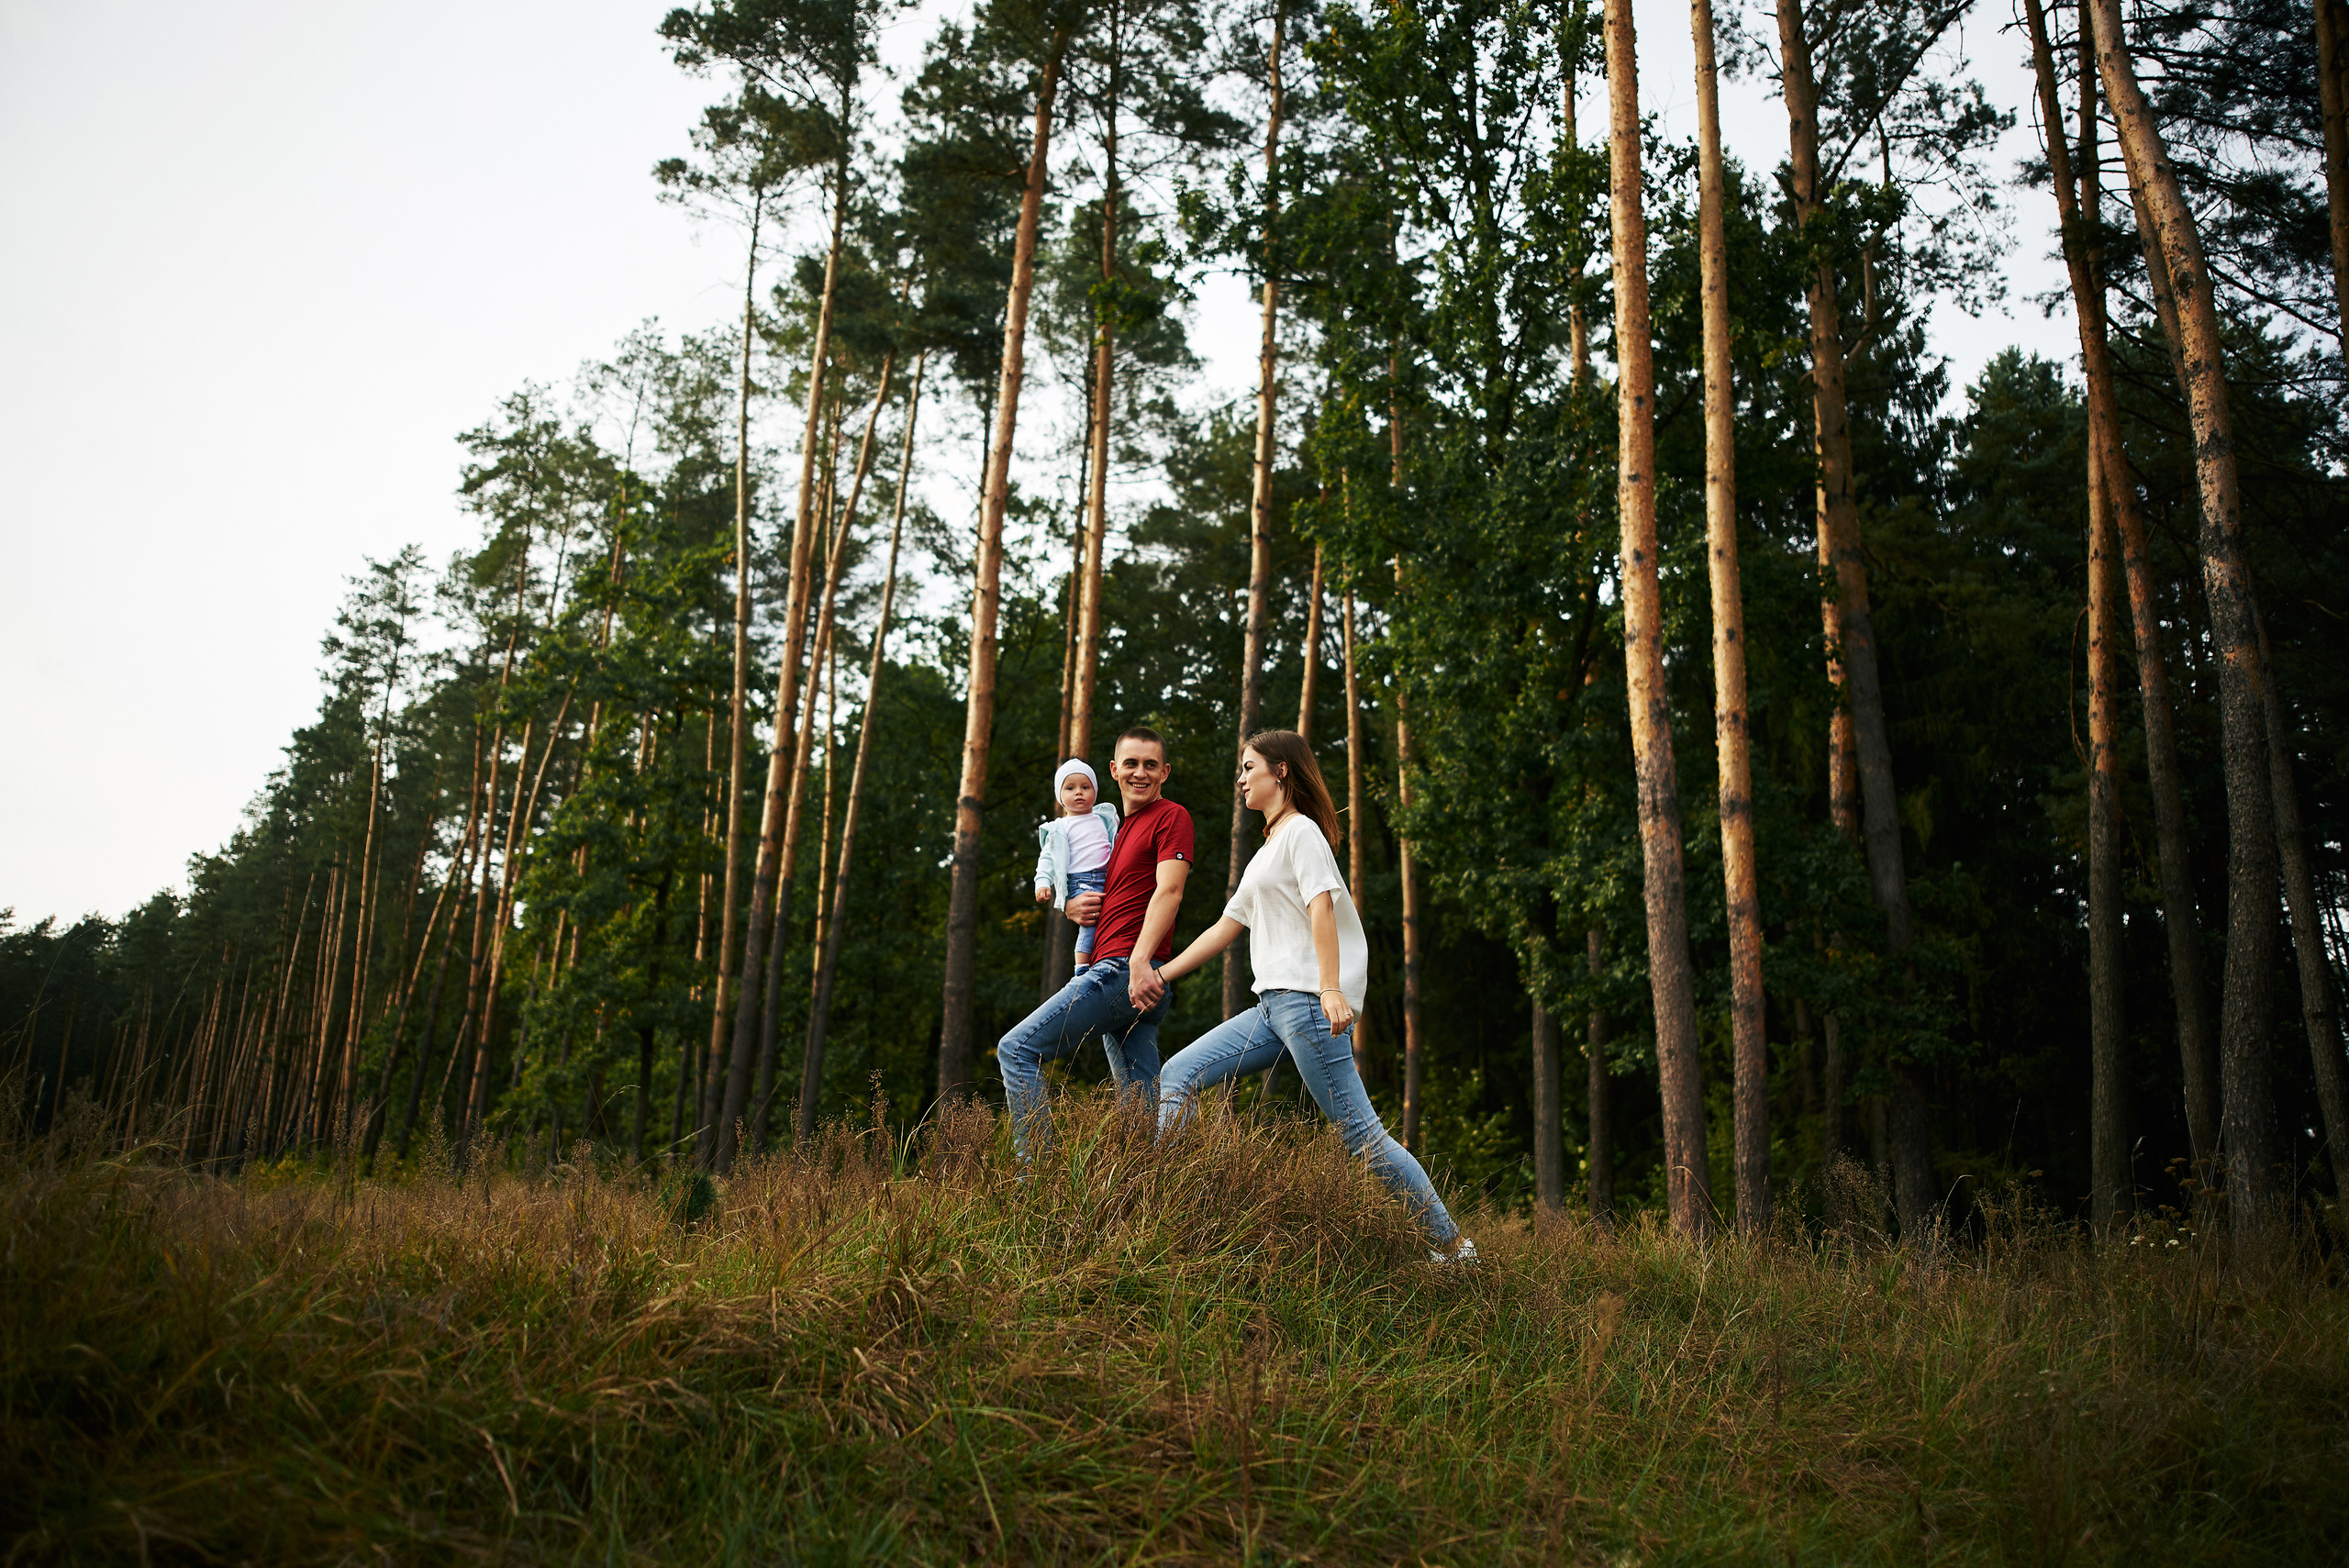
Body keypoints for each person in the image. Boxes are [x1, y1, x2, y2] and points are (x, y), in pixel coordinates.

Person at [1137, 729, 1476, 1262]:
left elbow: (1323, 907)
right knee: (1177, 1076)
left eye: (1249, 767)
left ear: (1281, 772)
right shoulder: (1268, 849)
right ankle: (1169, 1208)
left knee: (1362, 1138)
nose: (1241, 779)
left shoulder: (1302, 835)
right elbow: (1227, 927)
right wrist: (1160, 973)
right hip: (1269, 1008)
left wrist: (1331, 987)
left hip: (1306, 1004)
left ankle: (1454, 1247)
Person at [995, 727, 1194, 1162]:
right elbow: (1095, 890)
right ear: (1114, 770)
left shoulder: (1170, 815)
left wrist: (1140, 961)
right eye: (1131, 763)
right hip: (1127, 969)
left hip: (1127, 970)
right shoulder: (1116, 833)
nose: (1140, 773)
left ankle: (1036, 1181)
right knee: (1139, 1102)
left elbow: (1170, 892)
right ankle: (1147, 1190)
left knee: (1016, 1050)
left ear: (1165, 772)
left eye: (1150, 765)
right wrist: (1069, 906)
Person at [1033, 759, 1121, 967]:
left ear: (1095, 792)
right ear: (1060, 797)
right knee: (1089, 923)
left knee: (1110, 920)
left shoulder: (1103, 819)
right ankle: (1081, 967)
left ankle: (1107, 961)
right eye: (1070, 788)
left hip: (1107, 876)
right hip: (1082, 882)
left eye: (1085, 787)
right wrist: (1043, 883)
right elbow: (1046, 859)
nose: (1079, 792)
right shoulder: (1060, 827)